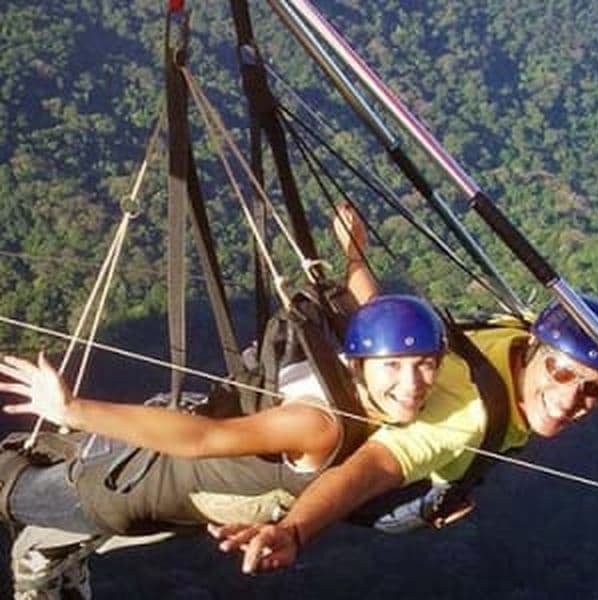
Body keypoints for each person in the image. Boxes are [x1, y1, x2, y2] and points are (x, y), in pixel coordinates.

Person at [207, 223, 598, 573]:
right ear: (539, 353)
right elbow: (371, 469)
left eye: (592, 390)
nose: (570, 399)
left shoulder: (534, 332)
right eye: (561, 376)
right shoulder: (462, 417)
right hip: (358, 488)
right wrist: (297, 532)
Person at [0, 206, 445, 598]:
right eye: (394, 367)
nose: (412, 383)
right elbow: (371, 303)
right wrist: (353, 252)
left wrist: (73, 409)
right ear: (360, 361)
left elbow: (205, 439)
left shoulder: (326, 417)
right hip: (169, 449)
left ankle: (44, 562)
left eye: (425, 364)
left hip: (139, 489)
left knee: (11, 484)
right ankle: (53, 550)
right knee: (41, 455)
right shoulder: (322, 419)